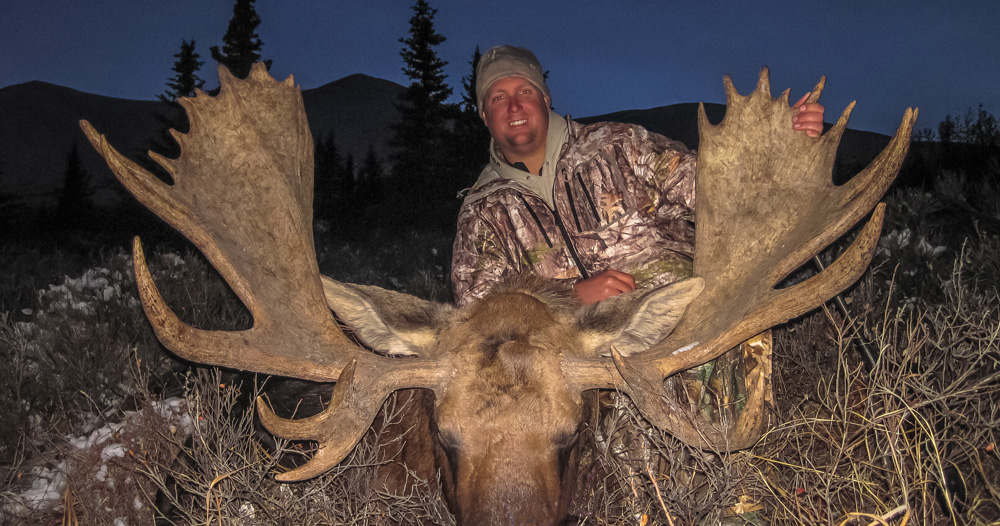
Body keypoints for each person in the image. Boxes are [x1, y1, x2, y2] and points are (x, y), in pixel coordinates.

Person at [451, 45, 824, 307]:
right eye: (498, 98)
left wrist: (780, 145)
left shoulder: (619, 145)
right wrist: (571, 297)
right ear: (484, 115)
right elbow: (480, 311)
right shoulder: (482, 212)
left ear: (545, 99)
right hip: (579, 350)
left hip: (680, 311)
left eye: (524, 90)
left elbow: (716, 187)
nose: (514, 105)